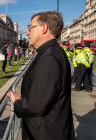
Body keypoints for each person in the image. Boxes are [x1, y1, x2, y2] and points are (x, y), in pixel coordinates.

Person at [7, 11, 75, 140]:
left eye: (31, 27)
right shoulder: (53, 51)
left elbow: (35, 105)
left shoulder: (49, 58)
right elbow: (44, 93)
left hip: (45, 132)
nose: (27, 32)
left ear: (44, 28)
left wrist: (18, 103)